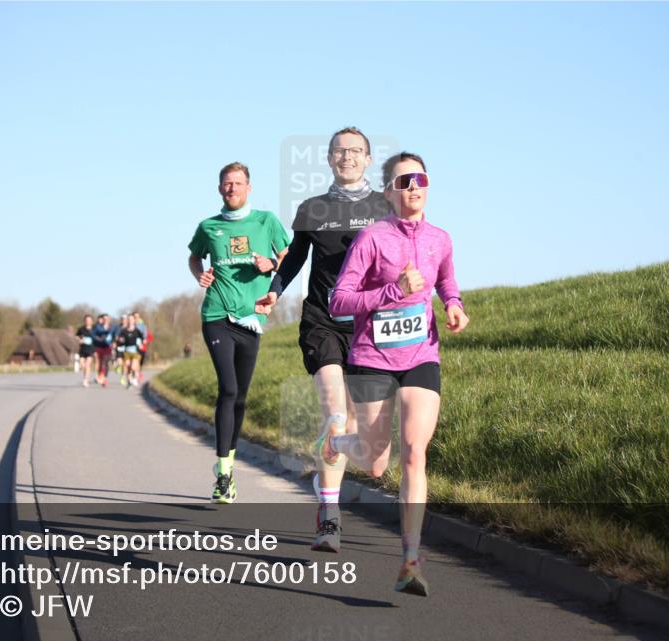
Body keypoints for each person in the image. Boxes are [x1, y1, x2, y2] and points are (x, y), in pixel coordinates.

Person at [326, 151, 469, 595]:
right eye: (404, 181)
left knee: (413, 454)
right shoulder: (371, 239)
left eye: (419, 179)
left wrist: (453, 305)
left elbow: (446, 281)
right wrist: (392, 290)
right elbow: (339, 301)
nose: (413, 187)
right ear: (388, 192)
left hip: (422, 355)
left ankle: (410, 559)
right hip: (372, 357)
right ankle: (337, 442)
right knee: (375, 464)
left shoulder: (441, 239)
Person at [254, 127, 389, 551]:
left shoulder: (386, 207)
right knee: (334, 411)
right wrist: (275, 290)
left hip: (370, 327)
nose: (347, 156)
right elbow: (296, 257)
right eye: (339, 151)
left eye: (356, 150)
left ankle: (326, 468)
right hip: (323, 321)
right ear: (329, 159)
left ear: (369, 159)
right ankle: (329, 516)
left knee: (363, 435)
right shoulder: (313, 209)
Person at [188, 161, 290, 504]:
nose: (232, 188)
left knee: (241, 396)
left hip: (251, 318)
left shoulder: (266, 221)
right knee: (228, 389)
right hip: (216, 314)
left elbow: (288, 258)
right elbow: (194, 258)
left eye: (238, 183)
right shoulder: (209, 226)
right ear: (220, 188)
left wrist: (271, 264)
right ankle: (222, 473)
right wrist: (200, 275)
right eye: (227, 183)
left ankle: (228, 467)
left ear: (249, 188)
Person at [117, 314, 144, 388]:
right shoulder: (123, 331)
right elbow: (120, 340)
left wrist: (140, 344)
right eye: (128, 319)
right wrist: (120, 340)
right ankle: (129, 381)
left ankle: (134, 376)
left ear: (134, 320)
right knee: (127, 366)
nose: (130, 321)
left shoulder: (137, 331)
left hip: (135, 351)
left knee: (133, 367)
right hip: (126, 351)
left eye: (131, 319)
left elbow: (141, 339)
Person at [92, 313, 113, 387]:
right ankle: (101, 377)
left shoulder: (112, 327)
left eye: (107, 319)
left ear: (109, 319)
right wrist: (98, 338)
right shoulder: (98, 327)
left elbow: (116, 335)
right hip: (99, 347)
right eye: (104, 319)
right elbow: (93, 335)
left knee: (105, 362)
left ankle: (104, 377)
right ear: (102, 320)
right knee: (101, 363)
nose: (105, 320)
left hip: (108, 347)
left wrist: (115, 342)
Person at [76, 315, 96, 387]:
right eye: (86, 320)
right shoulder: (81, 329)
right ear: (84, 321)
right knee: (82, 365)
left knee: (87, 365)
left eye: (89, 320)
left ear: (92, 321)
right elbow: (77, 336)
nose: (88, 322)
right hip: (82, 349)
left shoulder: (94, 329)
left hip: (91, 349)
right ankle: (85, 378)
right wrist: (79, 339)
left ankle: (86, 380)